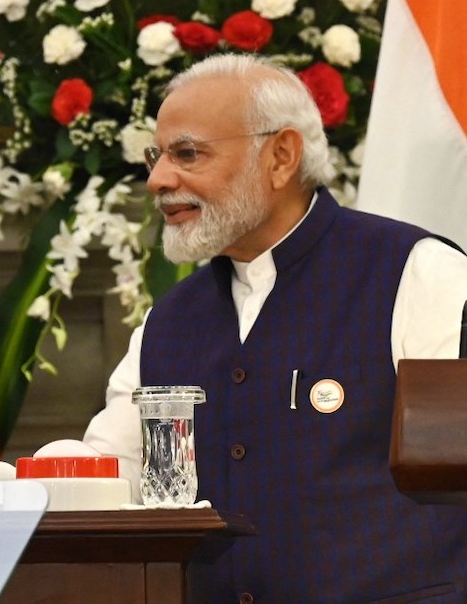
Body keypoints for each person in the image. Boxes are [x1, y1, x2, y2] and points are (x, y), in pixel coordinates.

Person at [83, 53, 467, 601]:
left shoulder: (416, 272)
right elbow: (102, 479)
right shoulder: (169, 320)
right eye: (157, 155)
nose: (158, 180)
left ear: (281, 156)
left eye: (187, 153)